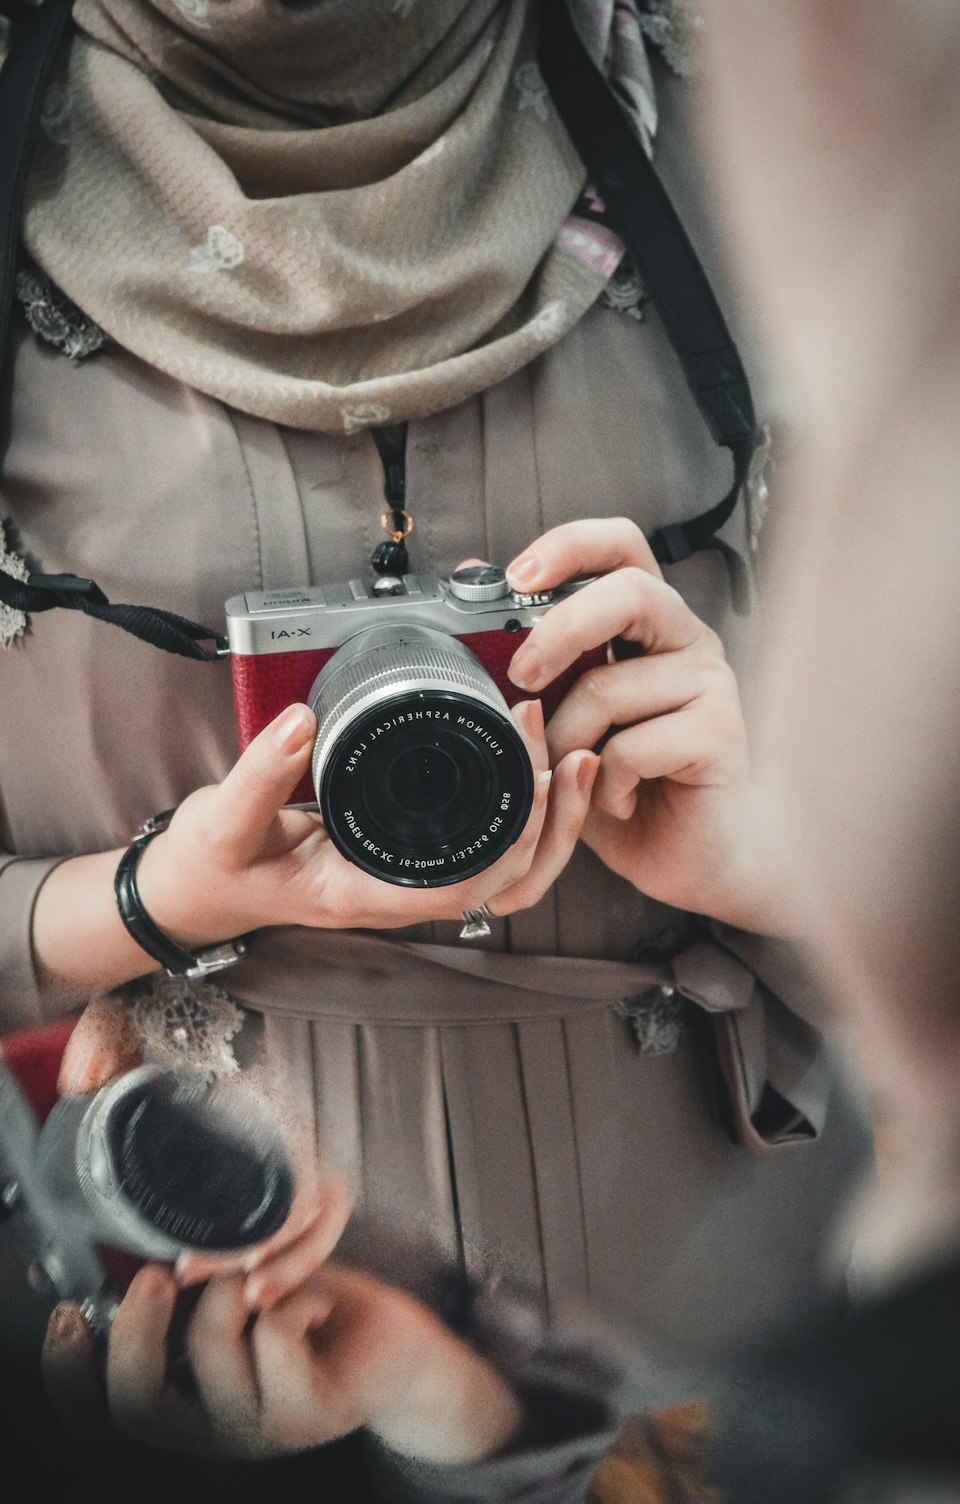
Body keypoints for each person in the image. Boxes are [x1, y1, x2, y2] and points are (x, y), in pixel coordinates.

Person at [0, 0, 867, 1362]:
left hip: (726, 1354)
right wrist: (138, 903)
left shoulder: (783, 108)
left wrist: (772, 860)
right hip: (184, 1302)